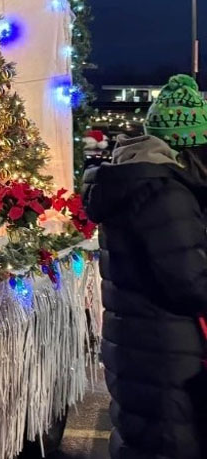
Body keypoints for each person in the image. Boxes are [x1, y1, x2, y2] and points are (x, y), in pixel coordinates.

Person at [84, 74, 207, 459]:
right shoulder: (163, 192)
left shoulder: (134, 181)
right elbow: (190, 284)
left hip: (146, 349)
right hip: (168, 356)